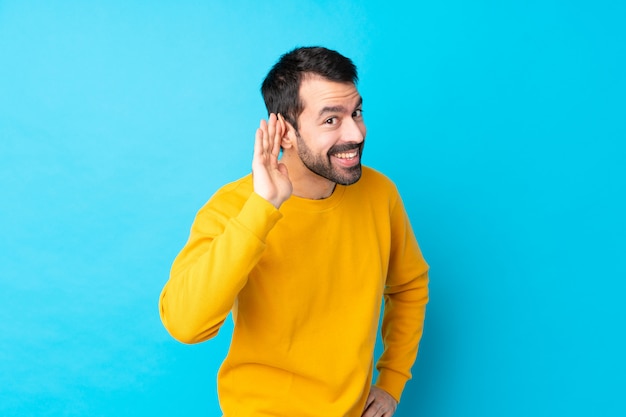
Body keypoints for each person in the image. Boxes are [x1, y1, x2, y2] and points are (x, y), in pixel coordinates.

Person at [159, 46, 429, 417]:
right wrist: (264, 207)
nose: (356, 133)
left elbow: (409, 286)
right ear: (284, 132)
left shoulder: (380, 194)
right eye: (331, 120)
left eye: (356, 113)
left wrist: (391, 383)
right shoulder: (235, 206)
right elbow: (185, 324)